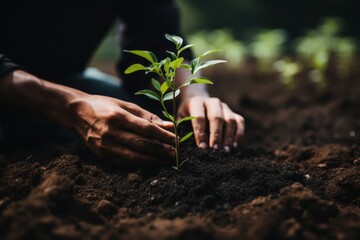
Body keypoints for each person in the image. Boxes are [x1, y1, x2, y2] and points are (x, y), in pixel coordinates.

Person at [0, 0, 245, 166]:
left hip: (62, 79)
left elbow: (160, 36)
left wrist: (193, 94)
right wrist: (71, 107)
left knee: (142, 122)